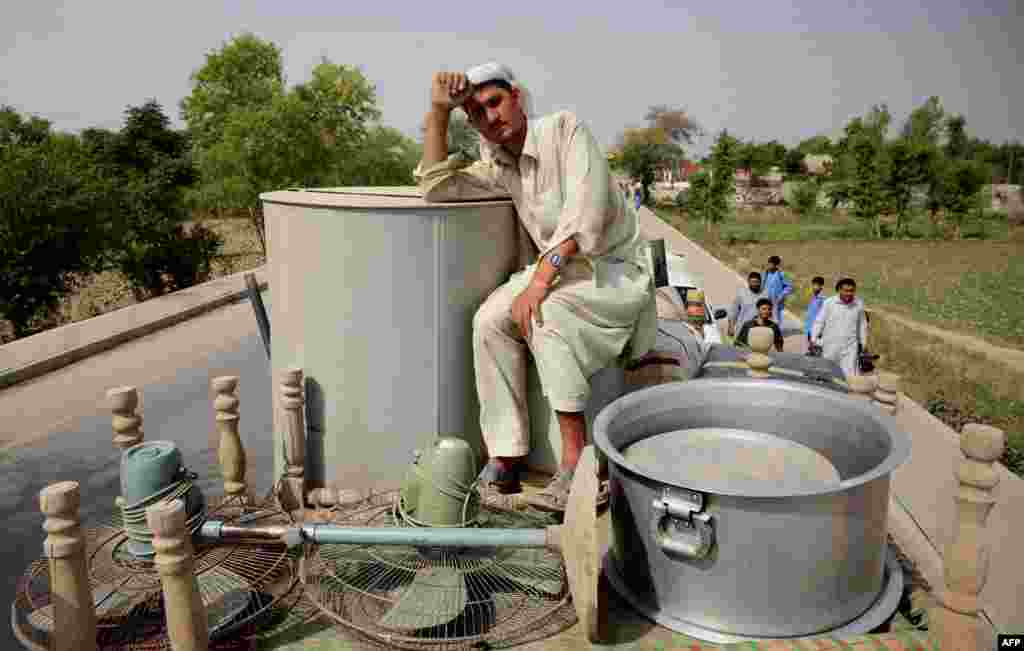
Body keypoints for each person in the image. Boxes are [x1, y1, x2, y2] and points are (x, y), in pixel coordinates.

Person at [415, 63, 656, 513]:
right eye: (476, 112)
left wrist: (540, 283)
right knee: (488, 320)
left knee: (542, 313)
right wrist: (438, 112)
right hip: (562, 271)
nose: (489, 117)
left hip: (611, 269)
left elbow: (586, 216)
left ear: (517, 97)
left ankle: (578, 466)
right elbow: (435, 187)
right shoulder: (500, 165)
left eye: (495, 103)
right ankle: (506, 456)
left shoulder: (566, 131)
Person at [811, 278, 868, 377]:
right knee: (827, 374)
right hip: (830, 346)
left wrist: (864, 343)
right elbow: (819, 321)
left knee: (849, 376)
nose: (849, 293)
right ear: (839, 290)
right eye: (846, 290)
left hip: (850, 348)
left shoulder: (859, 304)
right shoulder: (829, 303)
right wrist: (813, 338)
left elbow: (862, 325)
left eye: (851, 291)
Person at [727, 272, 766, 339]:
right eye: (752, 282)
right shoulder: (741, 293)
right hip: (742, 330)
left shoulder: (765, 295)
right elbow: (733, 311)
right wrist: (731, 326)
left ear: (760, 282)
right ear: (748, 282)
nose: (755, 284)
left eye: (757, 282)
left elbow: (770, 313)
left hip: (759, 332)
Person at [763, 255, 793, 326]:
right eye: (769, 263)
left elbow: (788, 287)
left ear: (776, 265)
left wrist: (781, 296)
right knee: (765, 317)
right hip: (766, 299)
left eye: (771, 264)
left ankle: (776, 333)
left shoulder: (781, 274)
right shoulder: (766, 273)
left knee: (776, 319)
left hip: (776, 301)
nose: (769, 265)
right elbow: (762, 285)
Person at [804, 276, 826, 345]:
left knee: (817, 348)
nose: (814, 287)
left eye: (817, 285)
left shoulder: (823, 299)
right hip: (809, 328)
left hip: (817, 329)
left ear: (821, 286)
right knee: (811, 348)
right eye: (813, 285)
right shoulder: (813, 297)